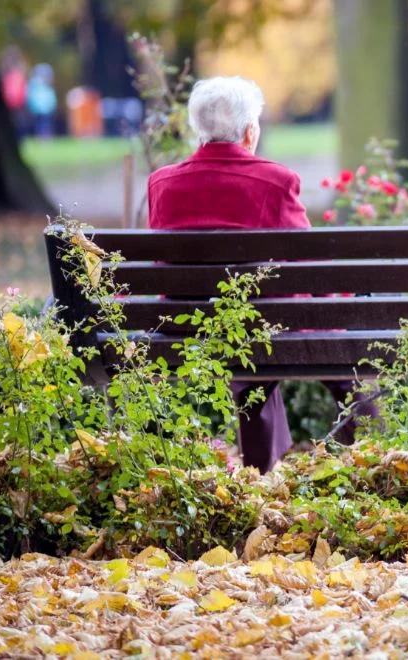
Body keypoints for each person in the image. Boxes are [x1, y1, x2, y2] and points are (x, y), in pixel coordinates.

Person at [147, 76, 368, 472]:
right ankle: (367, 458)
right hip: (267, 324)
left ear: (199, 132)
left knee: (256, 362)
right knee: (335, 350)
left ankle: (260, 470)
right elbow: (309, 265)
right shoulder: (276, 181)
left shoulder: (162, 183)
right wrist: (340, 307)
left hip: (188, 325)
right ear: (250, 132)